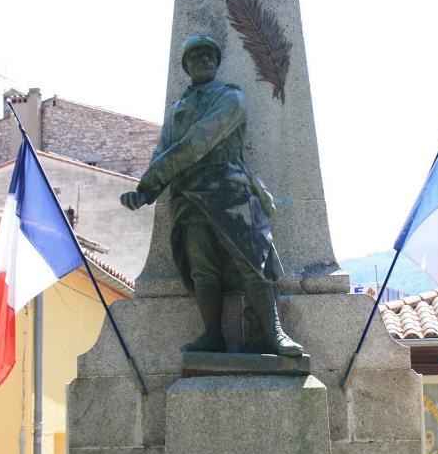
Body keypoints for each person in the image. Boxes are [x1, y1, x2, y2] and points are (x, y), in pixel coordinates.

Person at [120, 33, 303, 356]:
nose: (203, 59)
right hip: (188, 198)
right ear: (186, 66)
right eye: (196, 56)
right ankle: (211, 335)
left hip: (229, 190)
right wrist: (143, 193)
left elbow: (198, 140)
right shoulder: (177, 109)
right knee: (202, 269)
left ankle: (274, 333)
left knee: (253, 261)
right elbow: (163, 151)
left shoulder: (231, 98)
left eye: (209, 55)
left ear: (217, 63)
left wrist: (150, 184)